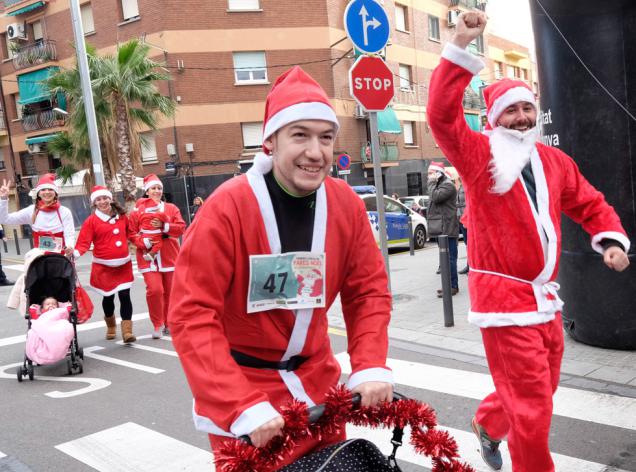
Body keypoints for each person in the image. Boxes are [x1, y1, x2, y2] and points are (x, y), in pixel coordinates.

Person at [427, 11, 630, 472]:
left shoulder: (553, 160)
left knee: (543, 385)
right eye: (510, 111)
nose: (520, 118)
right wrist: (460, 44)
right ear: (495, 118)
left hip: (543, 298)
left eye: (526, 109)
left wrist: (610, 239)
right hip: (503, 298)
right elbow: (441, 117)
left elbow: (589, 202)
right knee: (533, 407)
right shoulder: (480, 156)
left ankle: (487, 423)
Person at [168, 66, 393, 469]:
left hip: (320, 388)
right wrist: (240, 404)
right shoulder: (227, 208)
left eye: (325, 137)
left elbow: (367, 291)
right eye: (300, 135)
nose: (315, 151)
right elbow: (191, 315)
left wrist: (370, 364)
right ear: (271, 140)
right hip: (249, 400)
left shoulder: (345, 204)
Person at [74, 186, 137, 343]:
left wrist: (144, 242)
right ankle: (110, 326)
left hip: (123, 264)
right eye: (98, 199)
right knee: (108, 298)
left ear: (110, 199)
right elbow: (83, 242)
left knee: (125, 296)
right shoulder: (91, 221)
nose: (102, 201)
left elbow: (131, 234)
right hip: (103, 267)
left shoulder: (122, 217)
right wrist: (74, 254)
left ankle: (127, 332)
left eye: (105, 198)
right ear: (94, 203)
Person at [129, 174, 185, 339]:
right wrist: (143, 242)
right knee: (155, 290)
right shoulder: (138, 211)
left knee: (170, 292)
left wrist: (165, 226)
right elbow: (131, 233)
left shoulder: (171, 208)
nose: (157, 191)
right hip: (148, 256)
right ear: (147, 191)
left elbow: (181, 228)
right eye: (153, 188)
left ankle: (169, 323)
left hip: (169, 255)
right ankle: (157, 324)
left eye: (159, 188)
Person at [0, 175, 75, 256]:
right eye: (43, 189)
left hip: (61, 259)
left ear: (55, 193)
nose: (47, 192)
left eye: (50, 189)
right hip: (39, 261)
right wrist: (3, 199)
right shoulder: (31, 211)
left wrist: (70, 246)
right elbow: (4, 219)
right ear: (38, 193)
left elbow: (69, 234)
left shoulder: (64, 211)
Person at [427, 161, 459, 297]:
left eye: (430, 173)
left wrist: (432, 183)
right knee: (444, 259)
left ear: (438, 173)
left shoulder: (448, 185)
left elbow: (435, 197)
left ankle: (453, 286)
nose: (428, 176)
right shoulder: (439, 184)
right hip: (441, 227)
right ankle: (447, 285)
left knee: (450, 258)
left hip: (448, 228)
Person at [456, 178, 469, 275]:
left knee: (469, 242)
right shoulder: (460, 186)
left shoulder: (465, 185)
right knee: (466, 242)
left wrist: (458, 205)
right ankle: (469, 264)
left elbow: (468, 201)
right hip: (461, 217)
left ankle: (471, 265)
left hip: (466, 217)